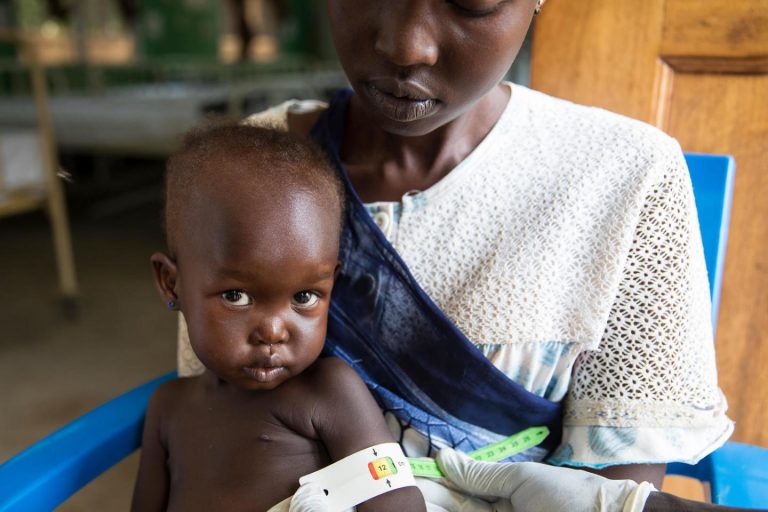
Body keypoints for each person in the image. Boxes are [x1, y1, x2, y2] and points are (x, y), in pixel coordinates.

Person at [175, 0, 742, 510]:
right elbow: (212, 416)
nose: (405, 45)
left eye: (470, 1)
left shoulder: (624, 176)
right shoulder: (244, 165)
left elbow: (615, 489)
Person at [132, 124, 426, 511]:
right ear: (172, 284)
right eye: (236, 296)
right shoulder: (167, 408)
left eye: (305, 296)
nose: (273, 330)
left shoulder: (329, 392)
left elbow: (397, 503)